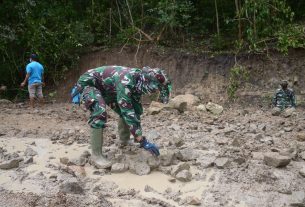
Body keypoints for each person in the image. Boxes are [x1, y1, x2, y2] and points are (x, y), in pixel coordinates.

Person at [72, 65, 171, 169]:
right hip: (88, 85)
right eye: (154, 89)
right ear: (147, 82)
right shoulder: (126, 81)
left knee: (135, 108)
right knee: (99, 112)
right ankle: (96, 156)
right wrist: (142, 140)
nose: (154, 92)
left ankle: (124, 140)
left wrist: (139, 138)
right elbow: (127, 110)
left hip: (108, 88)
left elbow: (134, 110)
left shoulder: (138, 83)